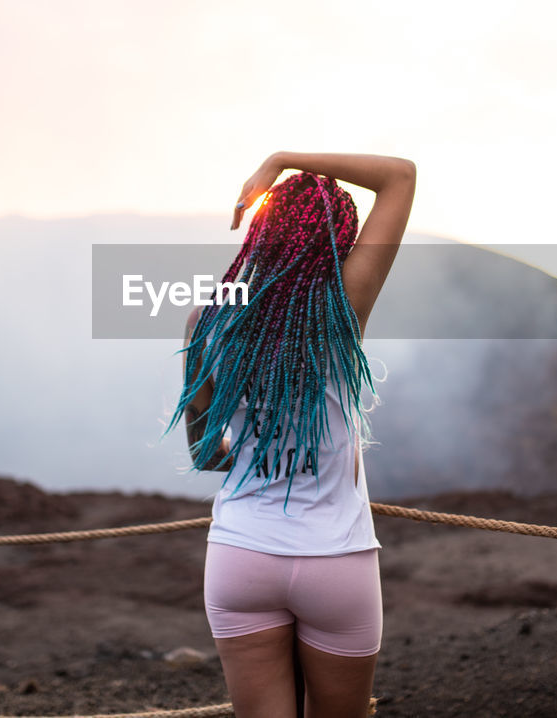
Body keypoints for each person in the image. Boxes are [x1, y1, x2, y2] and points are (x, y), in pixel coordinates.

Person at [163, 151, 416, 718]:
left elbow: (206, 454)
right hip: (336, 559)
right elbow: (399, 176)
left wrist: (259, 450)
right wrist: (280, 159)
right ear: (339, 244)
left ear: (261, 234)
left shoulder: (206, 319)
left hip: (241, 557)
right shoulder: (341, 310)